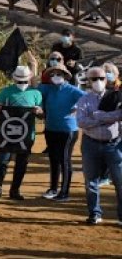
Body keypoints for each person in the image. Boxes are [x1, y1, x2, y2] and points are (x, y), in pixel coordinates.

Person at [75, 67, 122, 225]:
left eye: (101, 78)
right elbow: (81, 122)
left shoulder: (116, 96)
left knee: (120, 181)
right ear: (88, 81)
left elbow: (120, 114)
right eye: (94, 79)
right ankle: (94, 213)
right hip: (90, 144)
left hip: (114, 144)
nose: (98, 81)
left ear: (106, 79)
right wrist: (107, 119)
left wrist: (97, 116)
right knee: (91, 181)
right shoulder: (84, 100)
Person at [0, 65, 44, 200]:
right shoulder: (6, 92)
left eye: (24, 80)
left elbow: (42, 115)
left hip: (26, 135)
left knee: (22, 162)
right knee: (2, 161)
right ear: (14, 79)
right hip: (6, 134)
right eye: (20, 80)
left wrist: (38, 111)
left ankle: (15, 190)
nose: (22, 82)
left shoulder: (36, 93)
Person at [38, 64, 82, 201]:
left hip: (68, 130)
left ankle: (64, 192)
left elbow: (88, 98)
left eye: (59, 74)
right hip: (51, 128)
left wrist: (77, 106)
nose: (55, 77)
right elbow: (33, 86)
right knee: (53, 159)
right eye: (52, 74)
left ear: (65, 75)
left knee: (64, 160)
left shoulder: (72, 90)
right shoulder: (47, 89)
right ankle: (53, 188)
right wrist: (33, 66)